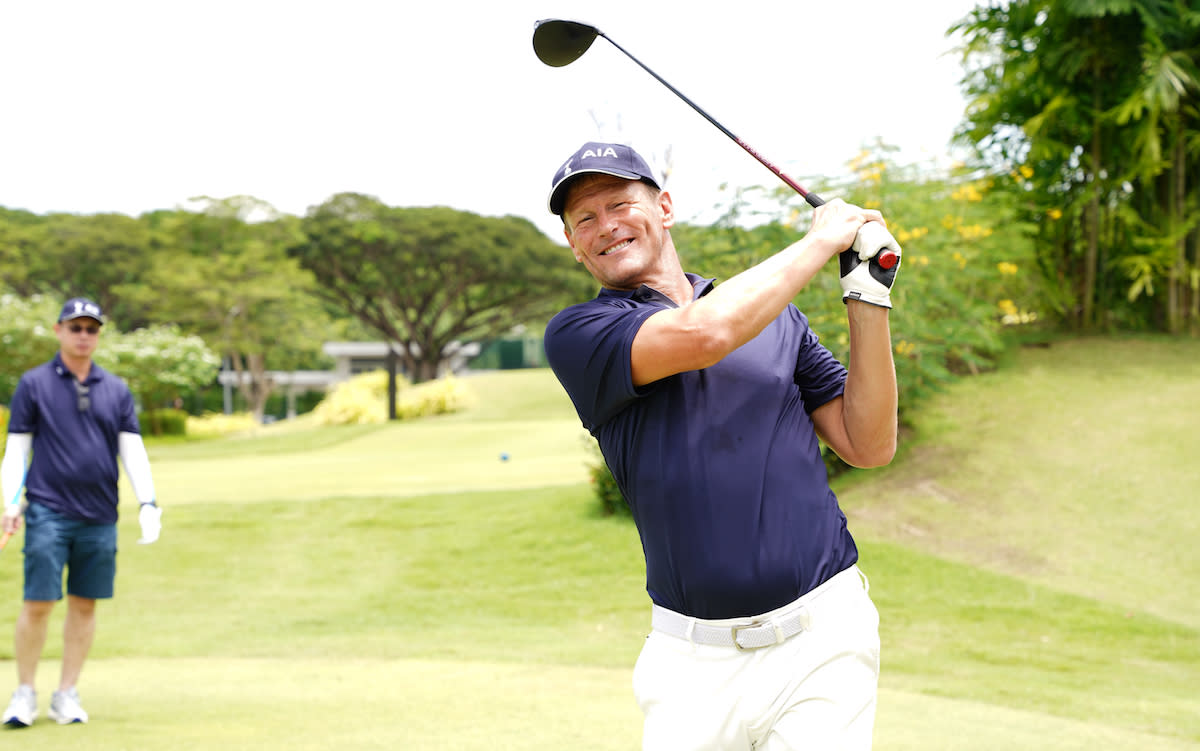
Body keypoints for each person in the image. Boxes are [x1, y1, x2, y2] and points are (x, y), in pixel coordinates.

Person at [542, 142, 901, 750]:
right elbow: (706, 334)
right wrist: (821, 240)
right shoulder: (580, 335)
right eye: (585, 219)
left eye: (620, 204)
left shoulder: (777, 319)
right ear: (576, 246)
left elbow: (868, 444)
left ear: (664, 208)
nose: (606, 225)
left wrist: (868, 295)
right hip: (693, 667)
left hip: (824, 638)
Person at [1, 297, 162, 728]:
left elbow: (132, 450)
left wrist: (148, 502)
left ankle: (66, 694)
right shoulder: (33, 384)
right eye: (76, 328)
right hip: (48, 510)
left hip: (99, 514)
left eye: (91, 329)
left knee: (85, 604)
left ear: (98, 335)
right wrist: (9, 503)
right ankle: (24, 693)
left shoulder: (117, 389)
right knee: (38, 602)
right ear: (58, 331)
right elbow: (17, 449)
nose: (83, 336)